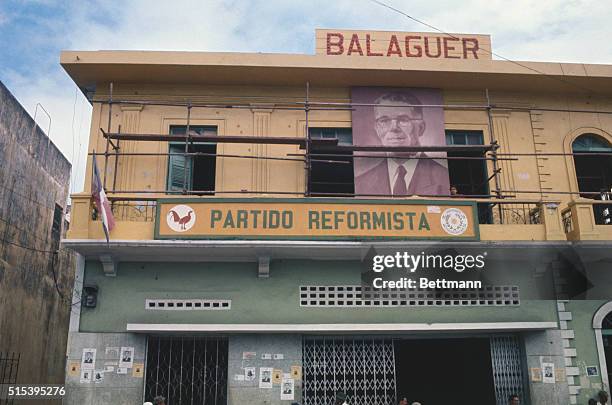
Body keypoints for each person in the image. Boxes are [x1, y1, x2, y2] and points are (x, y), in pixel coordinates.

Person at [355, 91, 449, 196]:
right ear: (377, 129)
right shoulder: (361, 183)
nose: (394, 128)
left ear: (421, 128)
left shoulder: (442, 177)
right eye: (384, 120)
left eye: (403, 120)